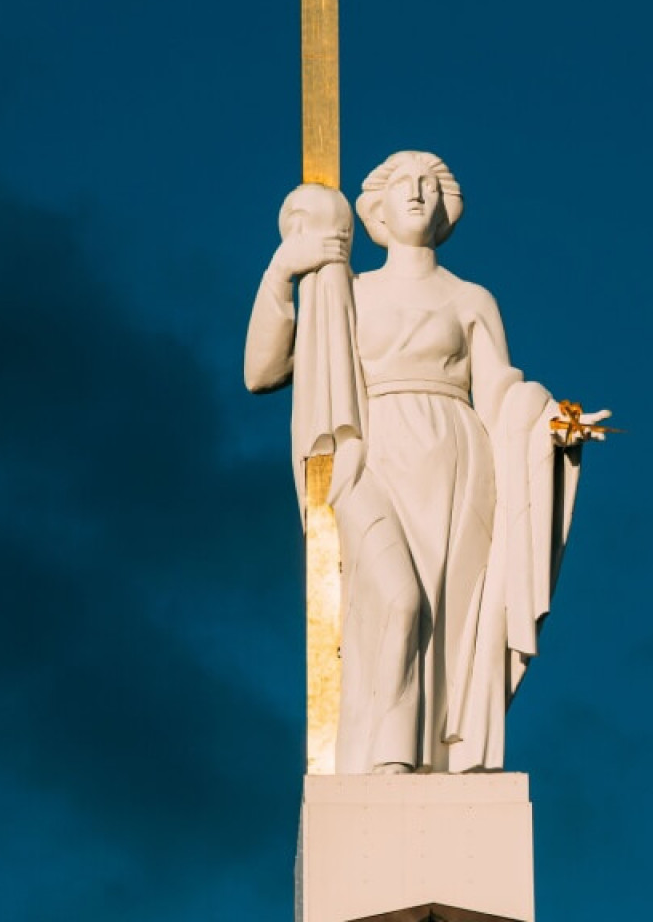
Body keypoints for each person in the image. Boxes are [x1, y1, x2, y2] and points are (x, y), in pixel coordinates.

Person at [244, 151, 606, 773]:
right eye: (402, 183)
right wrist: (283, 270)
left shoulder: (470, 299)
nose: (416, 192)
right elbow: (263, 371)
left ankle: (428, 757)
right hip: (371, 452)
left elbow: (501, 393)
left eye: (430, 184)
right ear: (376, 209)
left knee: (448, 622)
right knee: (397, 600)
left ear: (446, 208)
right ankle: (384, 758)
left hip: (458, 467)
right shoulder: (344, 291)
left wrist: (554, 424)